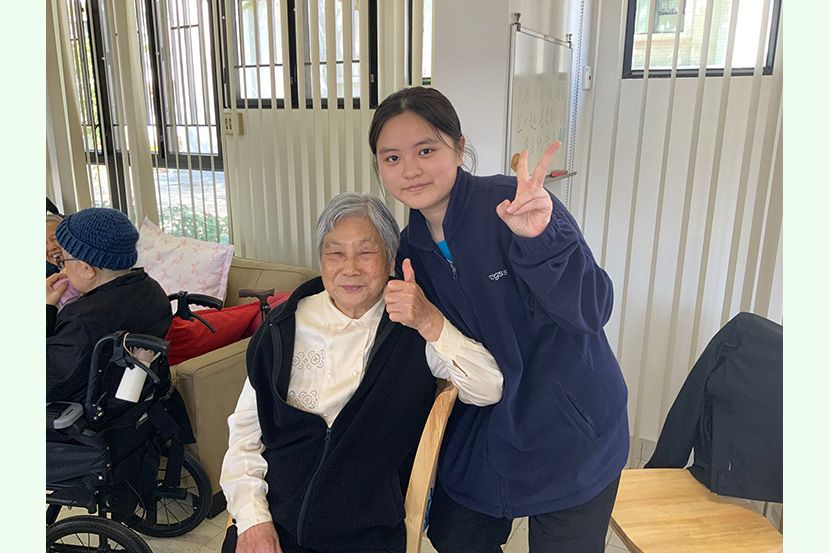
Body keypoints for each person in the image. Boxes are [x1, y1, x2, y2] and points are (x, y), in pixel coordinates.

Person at [368, 86, 629, 553]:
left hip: (571, 427)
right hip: (490, 427)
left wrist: (541, 241)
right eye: (392, 158)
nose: (409, 170)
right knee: (455, 534)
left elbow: (592, 309)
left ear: (459, 147)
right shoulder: (411, 251)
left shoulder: (514, 205)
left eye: (426, 150)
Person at [220, 193, 503, 553]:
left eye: (366, 252)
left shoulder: (411, 327)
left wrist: (430, 322)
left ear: (390, 258)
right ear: (321, 260)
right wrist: (253, 519)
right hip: (274, 523)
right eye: (335, 253)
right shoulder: (281, 328)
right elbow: (245, 433)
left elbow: (488, 388)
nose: (350, 268)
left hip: (366, 533)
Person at [46, 207, 172, 403]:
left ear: (86, 269)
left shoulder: (82, 321)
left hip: (83, 414)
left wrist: (46, 309)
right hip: (142, 409)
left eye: (63, 261)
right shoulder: (153, 290)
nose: (63, 269)